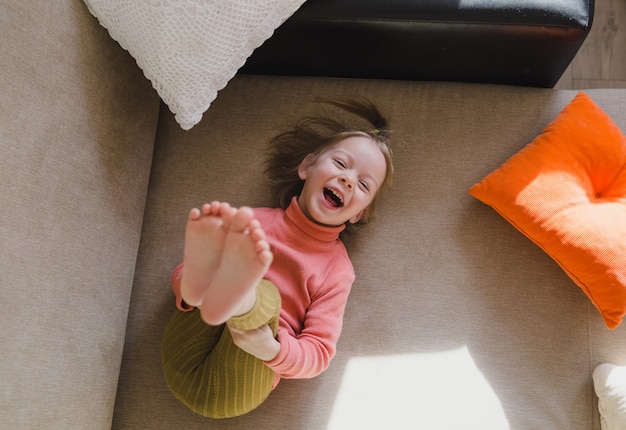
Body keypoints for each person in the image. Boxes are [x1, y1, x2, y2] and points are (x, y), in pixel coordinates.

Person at [161, 99, 394, 418]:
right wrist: (190, 284)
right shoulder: (252, 221)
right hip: (182, 350)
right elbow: (187, 272)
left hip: (236, 382)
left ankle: (238, 297)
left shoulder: (336, 270)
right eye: (340, 164)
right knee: (206, 276)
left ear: (359, 213)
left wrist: (271, 349)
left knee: (265, 293)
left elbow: (319, 352)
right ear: (306, 167)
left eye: (363, 184)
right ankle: (206, 290)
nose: (348, 179)